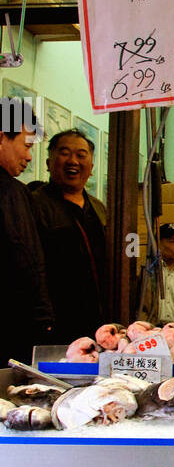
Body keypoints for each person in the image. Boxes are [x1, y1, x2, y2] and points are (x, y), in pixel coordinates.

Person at [30, 129, 107, 345]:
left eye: (81, 155)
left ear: (91, 167)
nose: (73, 160)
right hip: (52, 325)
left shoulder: (100, 209)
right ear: (48, 162)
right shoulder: (34, 204)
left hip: (97, 325)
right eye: (64, 153)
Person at [0, 101, 54, 366]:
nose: (29, 157)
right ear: (2, 138)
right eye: (27, 146)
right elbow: (26, 259)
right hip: (10, 327)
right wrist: (42, 317)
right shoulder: (11, 193)